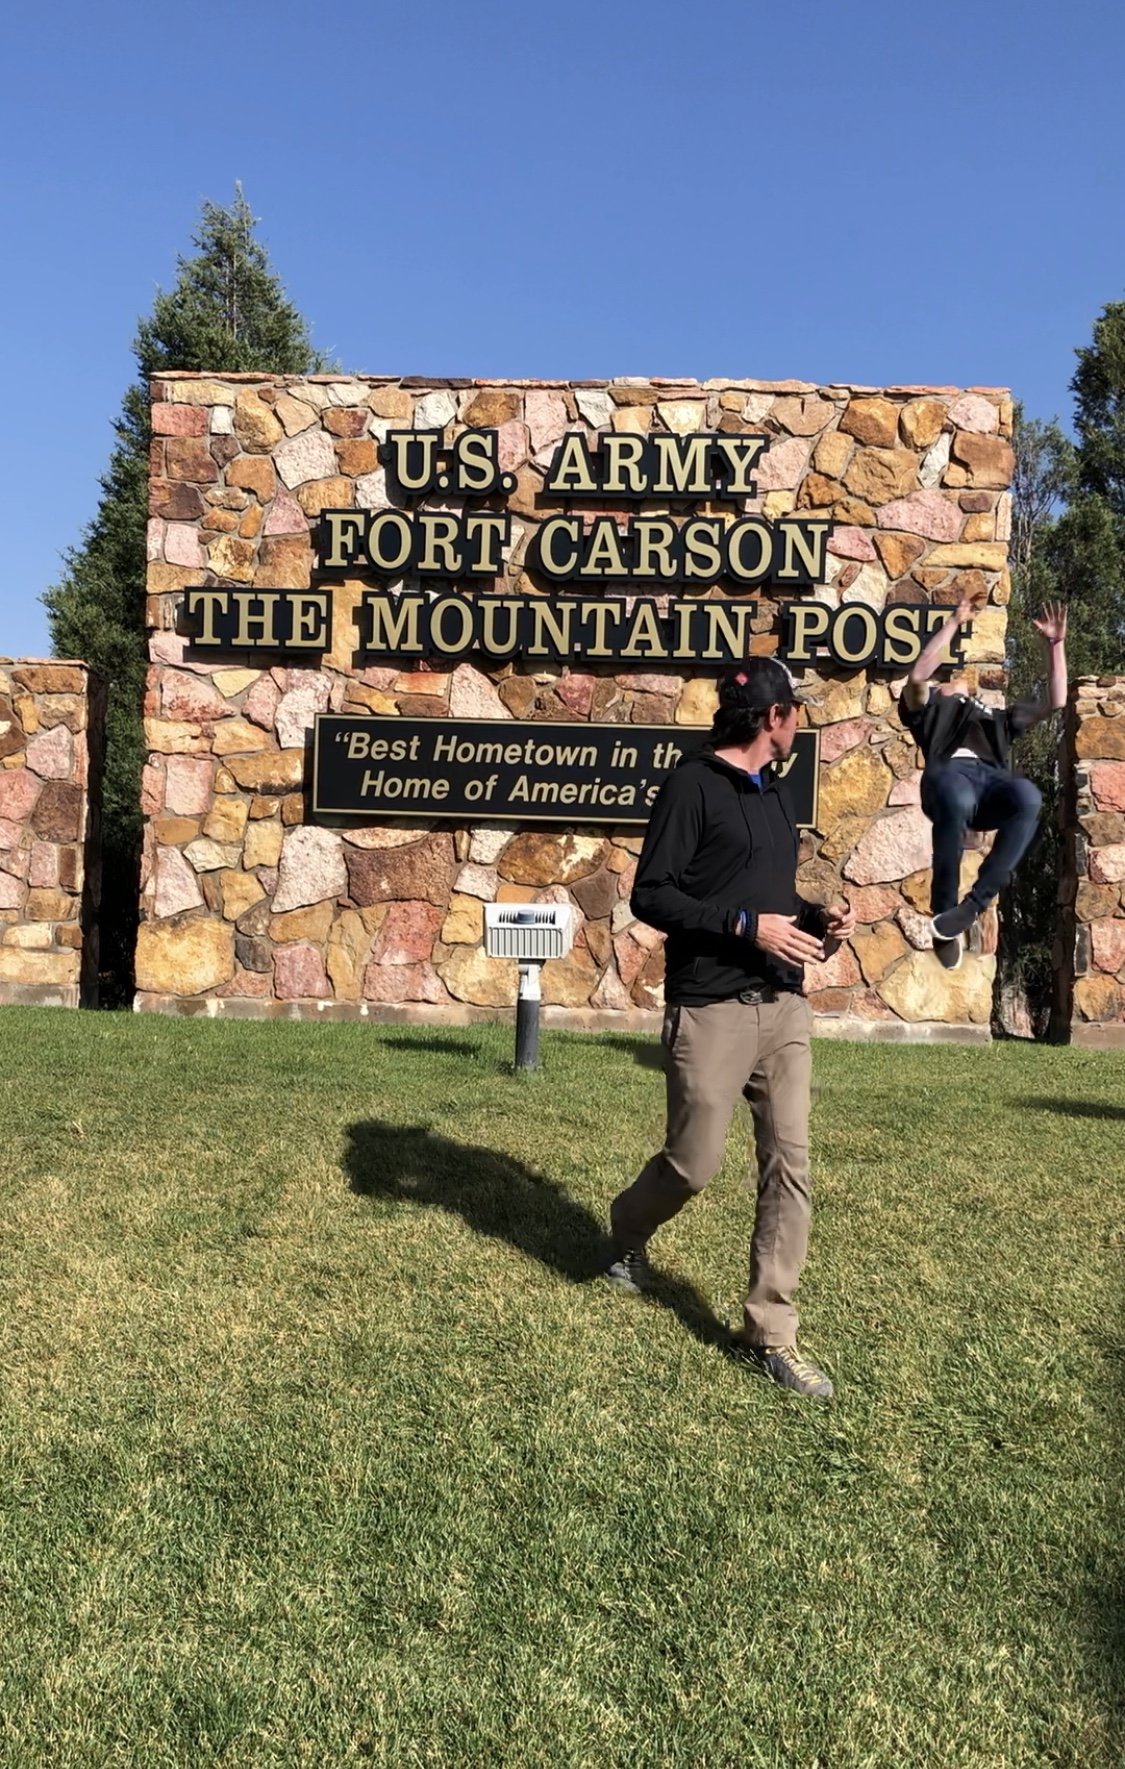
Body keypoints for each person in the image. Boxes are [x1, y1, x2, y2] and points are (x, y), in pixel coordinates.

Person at [607, 657, 855, 1400]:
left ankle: (770, 1331)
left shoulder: (773, 795)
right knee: (692, 1163)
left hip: (781, 1005)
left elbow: (768, 897)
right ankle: (625, 1231)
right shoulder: (691, 784)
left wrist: (814, 921)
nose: (800, 723)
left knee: (789, 1162)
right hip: (709, 1005)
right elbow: (652, 894)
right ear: (773, 719)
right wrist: (747, 925)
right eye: (795, 712)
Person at [901, 598, 1068, 970]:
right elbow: (918, 675)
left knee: (1028, 796)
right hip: (947, 776)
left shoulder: (997, 717)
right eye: (947, 680)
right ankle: (943, 909)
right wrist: (954, 622)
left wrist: (1055, 646)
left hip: (991, 784)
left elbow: (1056, 701)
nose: (957, 680)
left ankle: (970, 908)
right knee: (956, 795)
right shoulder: (929, 712)